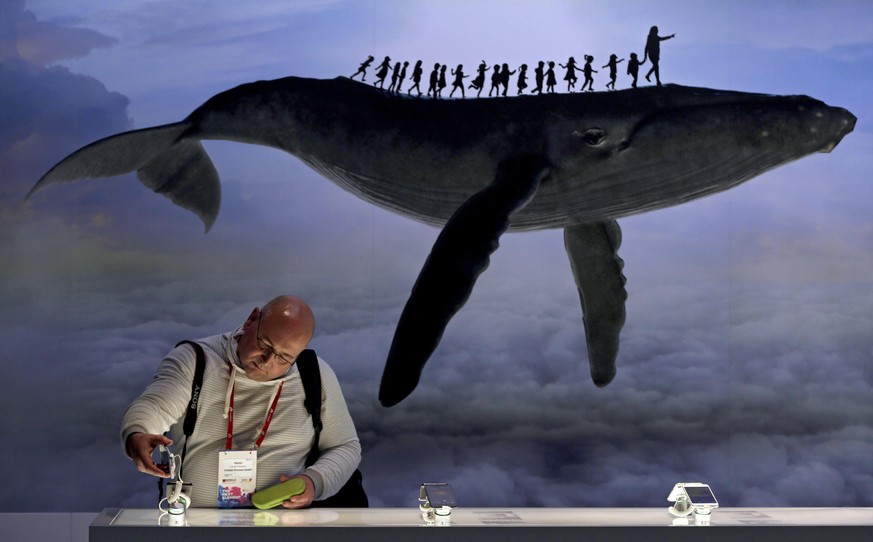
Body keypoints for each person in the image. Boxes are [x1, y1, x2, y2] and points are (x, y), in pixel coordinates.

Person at [121, 295, 361, 509]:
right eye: (265, 345)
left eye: (284, 357)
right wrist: (138, 432)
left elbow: (346, 446)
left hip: (283, 528)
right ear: (251, 319)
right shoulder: (195, 360)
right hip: (198, 528)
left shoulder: (314, 374)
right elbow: (156, 405)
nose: (267, 361)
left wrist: (314, 481)